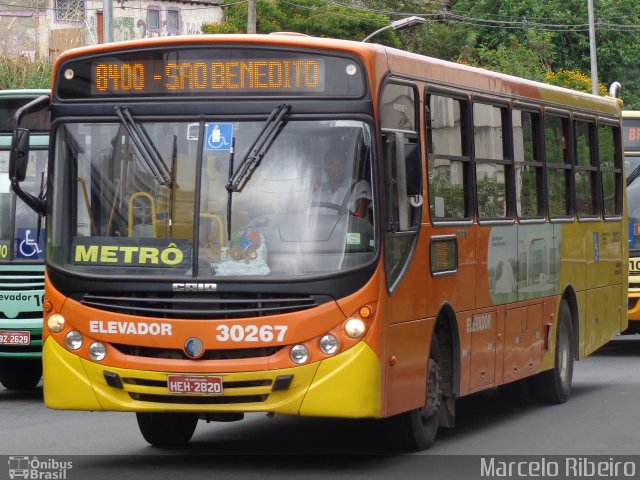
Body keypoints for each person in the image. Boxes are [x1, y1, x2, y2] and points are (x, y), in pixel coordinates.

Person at [313, 149, 371, 218]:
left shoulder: (359, 186)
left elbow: (359, 217)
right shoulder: (318, 192)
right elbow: (309, 219)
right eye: (331, 163)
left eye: (340, 163)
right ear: (325, 167)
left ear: (345, 167)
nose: (337, 168)